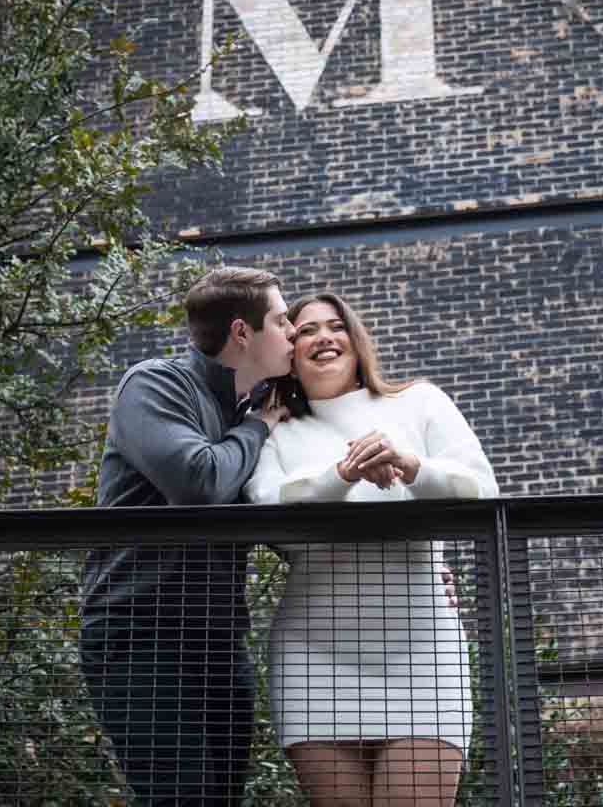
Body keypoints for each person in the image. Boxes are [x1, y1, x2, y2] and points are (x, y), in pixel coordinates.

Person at [245, 290, 498, 807]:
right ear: (289, 353)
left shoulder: (419, 402)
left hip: (421, 654)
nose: (323, 337)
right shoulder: (274, 430)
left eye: (335, 326)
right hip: (314, 656)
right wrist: (342, 474)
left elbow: (482, 489)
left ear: (356, 339)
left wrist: (411, 465)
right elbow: (268, 507)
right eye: (306, 330)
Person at [80, 266, 296, 807]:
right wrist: (258, 429)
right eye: (281, 320)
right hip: (139, 636)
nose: (293, 332)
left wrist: (421, 563)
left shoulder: (249, 408)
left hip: (219, 641)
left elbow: (290, 518)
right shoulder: (156, 383)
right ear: (242, 333)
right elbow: (198, 482)